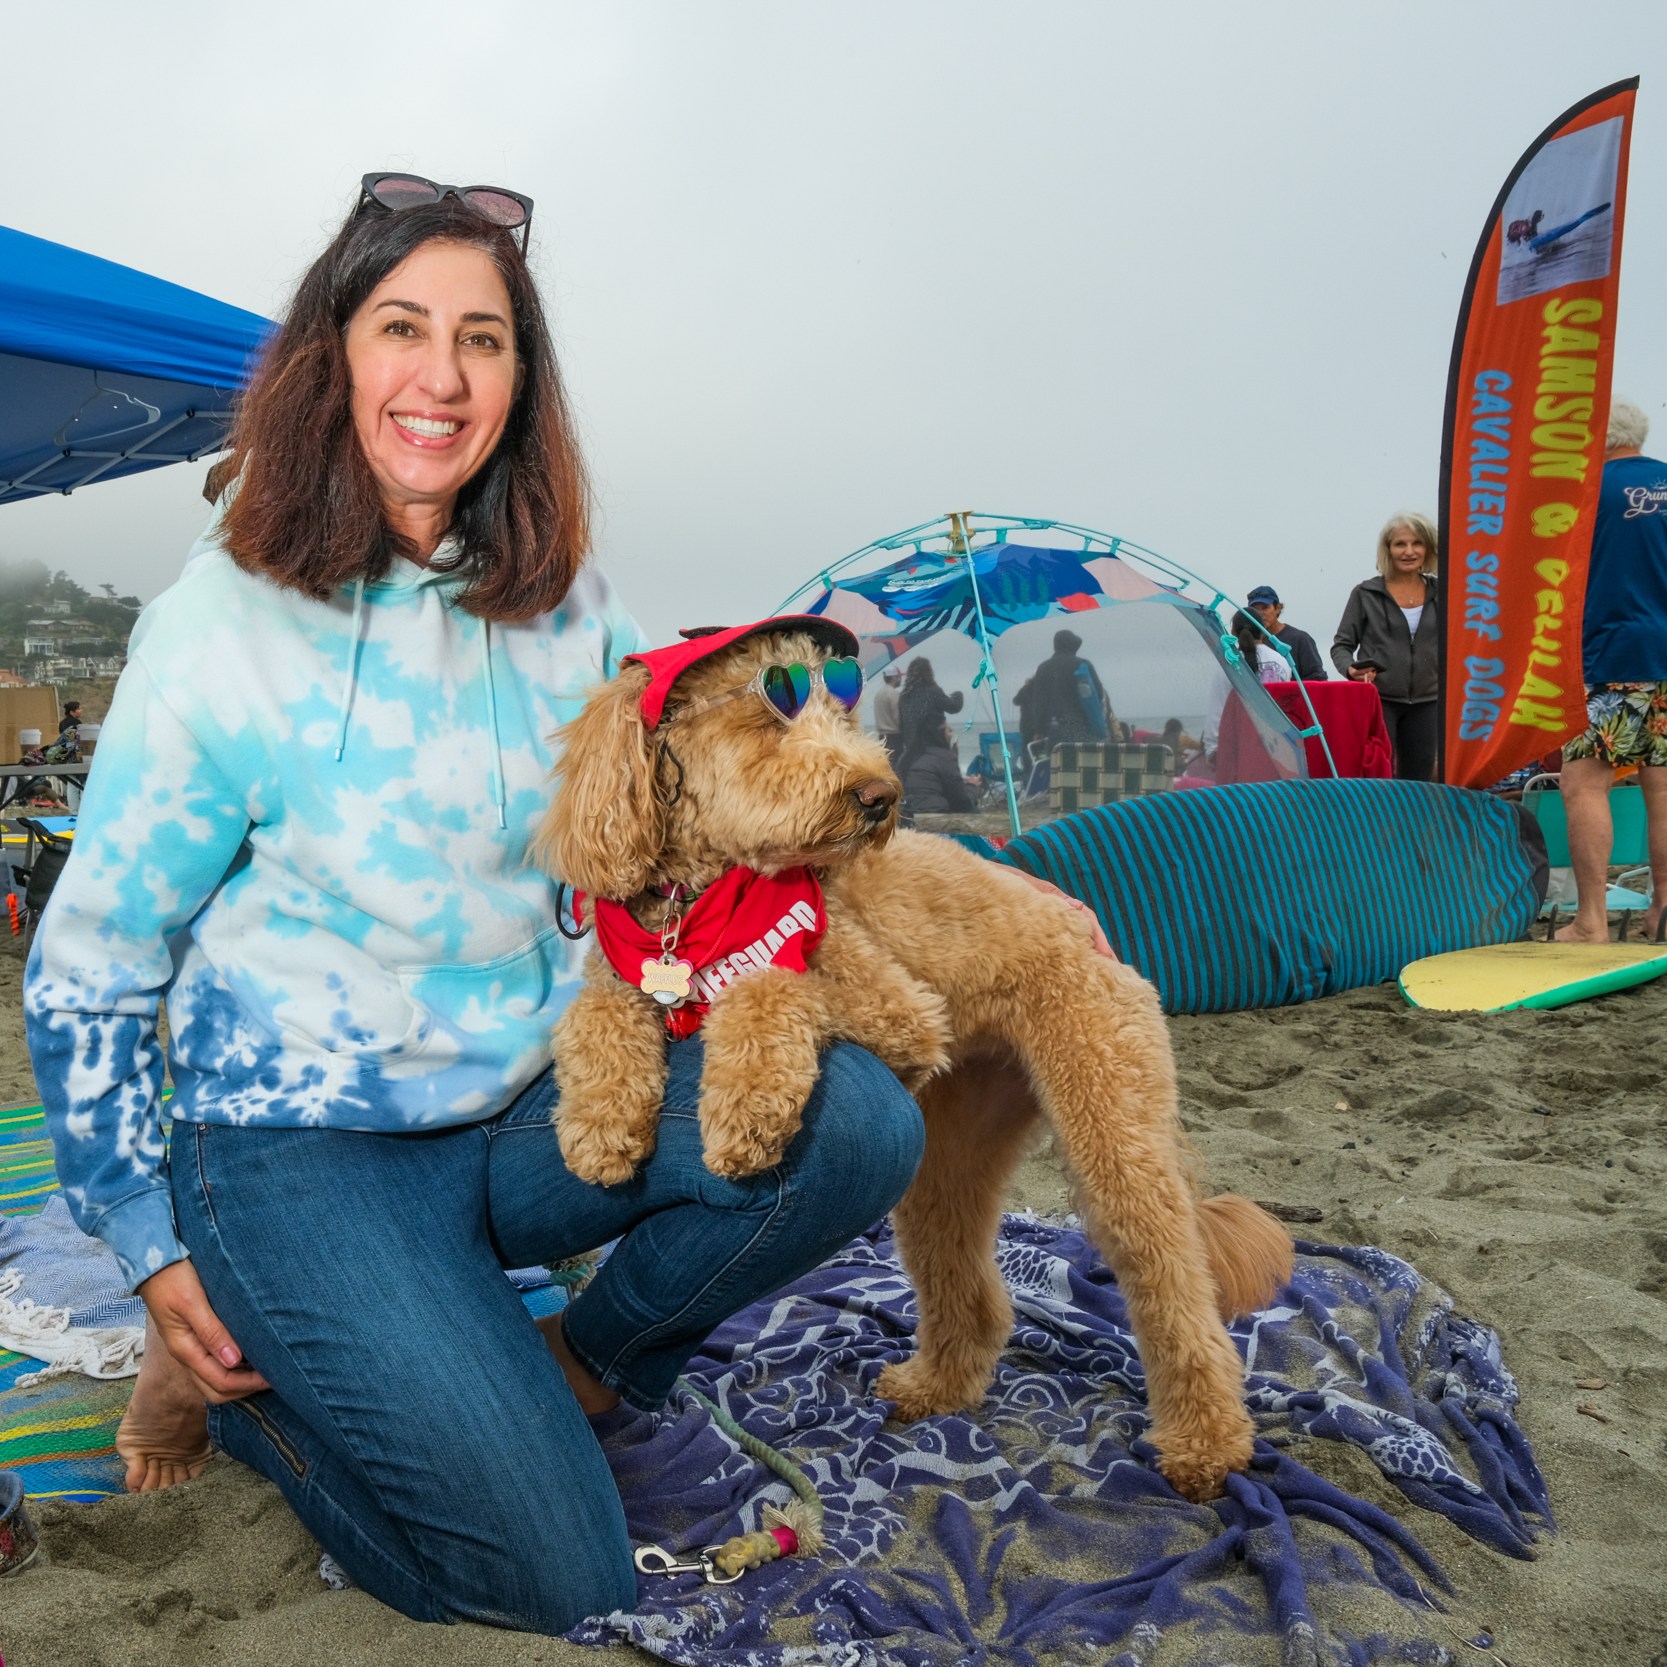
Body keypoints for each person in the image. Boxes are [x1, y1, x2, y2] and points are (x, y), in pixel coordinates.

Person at [23, 180, 929, 1636]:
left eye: (483, 339)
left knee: (862, 1117)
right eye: (401, 328)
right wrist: (145, 1230)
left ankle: (587, 1358)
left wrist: (996, 899)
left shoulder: (571, 605)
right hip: (299, 1148)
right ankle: (242, 1397)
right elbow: (88, 966)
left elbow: (714, 812)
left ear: (522, 378)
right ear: (336, 355)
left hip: (525, 1114)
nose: (441, 376)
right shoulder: (222, 626)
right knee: (553, 1569)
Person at [1555, 400, 1667, 943]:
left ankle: (1591, 921)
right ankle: (1662, 914)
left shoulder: (1587, 492)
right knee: (1662, 788)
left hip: (1617, 653)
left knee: (1582, 782)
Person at [1330, 512, 1440, 780]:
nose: (1409, 551)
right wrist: (1351, 670)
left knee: (1420, 781)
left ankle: (1414, 824)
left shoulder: (1444, 592)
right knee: (1377, 777)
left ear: (1428, 549)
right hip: (1379, 700)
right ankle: (1376, 823)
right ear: (1388, 549)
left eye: (1417, 543)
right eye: (1400, 544)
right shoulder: (1365, 593)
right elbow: (1341, 646)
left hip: (1429, 702)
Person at [1025, 629, 1115, 748]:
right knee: (1080, 762)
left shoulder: (1043, 668)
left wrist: (1038, 730)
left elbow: (1038, 702)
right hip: (1081, 726)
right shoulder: (1082, 665)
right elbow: (1098, 694)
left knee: (1056, 762)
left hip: (1053, 728)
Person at [896, 657, 963, 773]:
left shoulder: (904, 696)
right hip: (934, 747)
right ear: (929, 672)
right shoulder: (934, 691)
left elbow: (901, 725)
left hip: (911, 752)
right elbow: (954, 707)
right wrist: (958, 695)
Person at [1245, 587, 1325, 680]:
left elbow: (1317, 678)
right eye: (1255, 610)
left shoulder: (1300, 639)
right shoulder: (1248, 642)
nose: (1260, 613)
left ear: (1277, 608)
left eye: (1265, 608)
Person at [902, 720, 979, 814]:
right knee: (972, 810)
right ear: (940, 734)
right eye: (949, 731)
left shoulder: (908, 755)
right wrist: (972, 786)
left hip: (907, 808)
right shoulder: (945, 756)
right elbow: (962, 801)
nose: (951, 735)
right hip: (932, 809)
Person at [872, 662, 904, 768]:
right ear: (894, 678)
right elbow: (897, 717)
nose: (900, 679)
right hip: (894, 737)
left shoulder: (878, 694)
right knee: (897, 768)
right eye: (899, 677)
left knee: (886, 768)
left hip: (882, 737)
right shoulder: (893, 693)